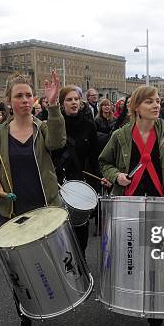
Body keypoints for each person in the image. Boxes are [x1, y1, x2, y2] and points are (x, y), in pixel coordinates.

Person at [0, 71, 64, 326]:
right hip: (12, 211)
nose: (25, 100)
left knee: (47, 264)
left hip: (44, 208)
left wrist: (53, 106)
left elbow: (58, 142)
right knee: (19, 273)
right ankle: (25, 322)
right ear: (8, 101)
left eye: (29, 95)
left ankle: (51, 304)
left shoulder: (43, 128)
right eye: (19, 96)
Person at [99, 85, 164, 326]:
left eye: (157, 101)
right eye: (150, 102)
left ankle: (156, 321)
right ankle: (129, 299)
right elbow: (104, 162)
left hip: (159, 206)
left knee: (159, 262)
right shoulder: (120, 135)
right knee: (131, 258)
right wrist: (115, 176)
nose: (156, 105)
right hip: (128, 205)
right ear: (136, 107)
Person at [52, 85, 101, 258]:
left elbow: (95, 156)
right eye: (69, 99)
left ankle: (81, 260)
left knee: (81, 226)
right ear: (62, 103)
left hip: (82, 181)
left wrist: (96, 183)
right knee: (61, 226)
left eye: (76, 99)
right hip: (59, 182)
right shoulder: (54, 125)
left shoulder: (89, 124)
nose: (73, 102)